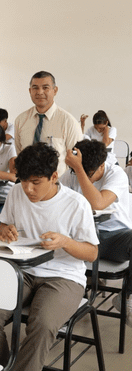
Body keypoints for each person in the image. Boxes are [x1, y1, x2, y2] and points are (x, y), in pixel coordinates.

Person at [0, 143, 99, 371]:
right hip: (23, 271)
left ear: (54, 176)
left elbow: (92, 253)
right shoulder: (17, 192)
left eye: (36, 182)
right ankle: (1, 366)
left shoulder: (76, 204)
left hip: (63, 277)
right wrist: (4, 230)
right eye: (23, 180)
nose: (28, 189)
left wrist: (65, 242)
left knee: (42, 323)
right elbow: (4, 223)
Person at [61, 139, 132, 326]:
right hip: (83, 239)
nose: (81, 176)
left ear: (102, 165)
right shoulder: (73, 173)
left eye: (89, 173)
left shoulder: (116, 174)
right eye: (76, 171)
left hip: (115, 237)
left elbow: (98, 203)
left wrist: (79, 169)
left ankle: (127, 297)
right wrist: (76, 169)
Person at [14, 71, 83, 175]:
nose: (40, 92)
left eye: (45, 87)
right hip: (27, 184)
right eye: (35, 88)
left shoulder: (68, 122)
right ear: (30, 91)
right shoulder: (21, 120)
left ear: (55, 90)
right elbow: (20, 154)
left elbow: (76, 162)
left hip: (57, 186)